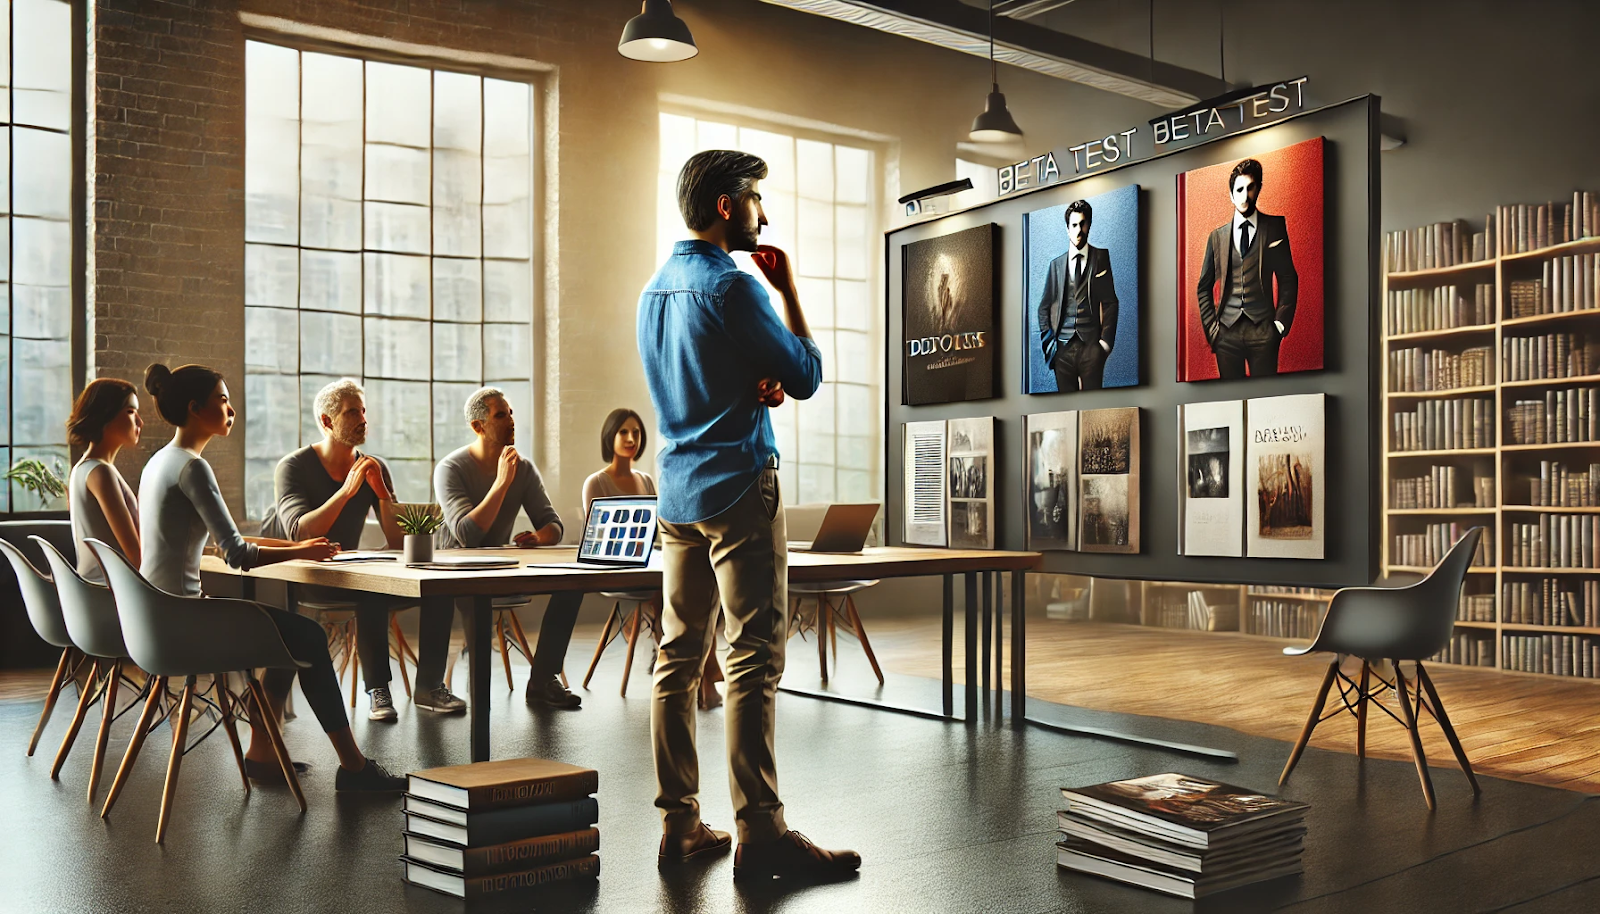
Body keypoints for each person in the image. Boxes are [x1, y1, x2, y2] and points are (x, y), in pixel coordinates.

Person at [638, 149, 859, 880]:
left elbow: (698, 381)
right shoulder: (734, 286)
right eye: (758, 199)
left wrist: (745, 385)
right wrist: (788, 289)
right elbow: (806, 372)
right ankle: (761, 830)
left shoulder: (654, 290)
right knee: (752, 656)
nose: (766, 213)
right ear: (727, 206)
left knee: (676, 655)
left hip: (675, 494)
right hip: (737, 487)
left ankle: (680, 826)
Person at [137, 362, 405, 792]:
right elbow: (238, 554)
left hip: (154, 617)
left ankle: (263, 754)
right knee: (308, 638)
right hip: (183, 623)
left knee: (289, 637)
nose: (231, 409)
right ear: (194, 408)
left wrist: (300, 549)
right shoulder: (193, 468)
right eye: (222, 399)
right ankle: (354, 768)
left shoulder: (161, 462)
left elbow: (232, 537)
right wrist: (301, 545)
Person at [270, 378, 464, 721]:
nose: (362, 419)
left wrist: (381, 492)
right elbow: (298, 531)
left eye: (363, 410)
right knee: (371, 590)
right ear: (327, 422)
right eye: (351, 412)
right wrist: (346, 491)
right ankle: (379, 690)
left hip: (355, 573)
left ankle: (429, 687)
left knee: (439, 590)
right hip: (309, 578)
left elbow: (397, 541)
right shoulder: (293, 467)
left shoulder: (375, 466)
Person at [434, 386, 583, 710]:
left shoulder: (523, 468)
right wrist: (502, 482)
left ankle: (543, 679)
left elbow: (553, 525)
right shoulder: (450, 468)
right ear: (478, 426)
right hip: (454, 574)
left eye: (511, 413)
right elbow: (467, 534)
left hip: (504, 568)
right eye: (501, 415)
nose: (511, 421)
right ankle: (478, 697)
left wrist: (540, 537)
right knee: (477, 594)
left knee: (572, 585)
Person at [582, 408, 724, 711]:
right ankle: (701, 676)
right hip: (614, 567)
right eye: (624, 432)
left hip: (649, 562)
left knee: (697, 580)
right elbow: (594, 537)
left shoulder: (646, 480)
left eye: (636, 432)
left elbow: (655, 531)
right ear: (610, 436)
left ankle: (687, 667)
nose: (631, 438)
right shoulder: (596, 482)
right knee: (671, 590)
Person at [1195, 158, 1299, 379]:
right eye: (1239, 189)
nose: (1244, 195)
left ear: (1258, 189)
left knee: (1266, 403)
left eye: (1250, 188)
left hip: (1263, 331)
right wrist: (1213, 332)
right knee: (1229, 403)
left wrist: (1279, 325)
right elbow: (1203, 287)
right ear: (1231, 195)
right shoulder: (1217, 237)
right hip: (1226, 334)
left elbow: (1288, 278)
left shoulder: (1274, 228)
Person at [1037, 199, 1119, 392]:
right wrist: (1050, 343)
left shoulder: (1101, 257)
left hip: (1091, 347)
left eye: (1082, 224)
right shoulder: (1055, 266)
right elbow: (1043, 307)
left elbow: (1111, 303)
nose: (1078, 230)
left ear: (1089, 225)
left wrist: (1105, 344)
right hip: (1062, 350)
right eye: (1074, 225)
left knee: (1094, 409)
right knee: (1065, 410)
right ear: (1067, 229)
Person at [66, 379, 143, 585]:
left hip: (98, 590)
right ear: (105, 416)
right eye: (130, 412)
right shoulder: (101, 473)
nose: (140, 422)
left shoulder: (82, 468)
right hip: (111, 592)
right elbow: (137, 557)